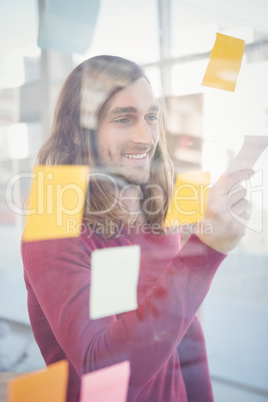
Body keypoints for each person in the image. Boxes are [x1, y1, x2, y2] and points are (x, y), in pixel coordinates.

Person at [21, 55, 252, 402]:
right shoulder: (54, 225)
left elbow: (183, 334)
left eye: (151, 117)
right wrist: (204, 252)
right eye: (124, 118)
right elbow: (105, 369)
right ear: (80, 130)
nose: (146, 137)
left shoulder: (152, 211)